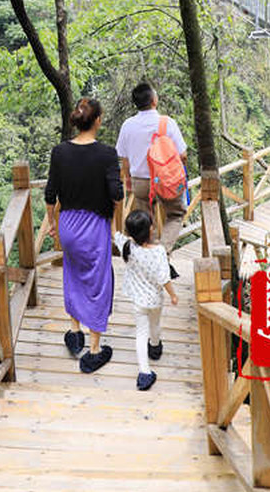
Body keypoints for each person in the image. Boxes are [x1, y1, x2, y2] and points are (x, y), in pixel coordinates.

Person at [44, 97, 122, 373]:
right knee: (99, 283)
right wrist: (114, 225)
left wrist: (53, 223)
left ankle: (74, 331)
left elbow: (50, 193)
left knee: (73, 275)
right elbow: (116, 194)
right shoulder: (107, 154)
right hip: (93, 227)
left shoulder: (59, 152)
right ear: (98, 120)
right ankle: (94, 349)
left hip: (68, 226)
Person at [115, 81, 188, 263]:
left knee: (145, 222)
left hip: (140, 182)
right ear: (154, 100)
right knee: (176, 214)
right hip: (165, 181)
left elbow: (124, 159)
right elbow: (183, 155)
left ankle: (151, 254)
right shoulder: (167, 123)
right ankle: (162, 252)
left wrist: (129, 181)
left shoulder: (127, 125)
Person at [114, 210, 178, 391]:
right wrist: (173, 295)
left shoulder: (127, 246)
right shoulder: (158, 252)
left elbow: (114, 234)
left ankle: (144, 372)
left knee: (141, 333)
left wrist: (113, 210)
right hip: (155, 300)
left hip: (138, 301)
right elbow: (164, 278)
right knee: (155, 325)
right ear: (150, 230)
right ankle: (155, 347)